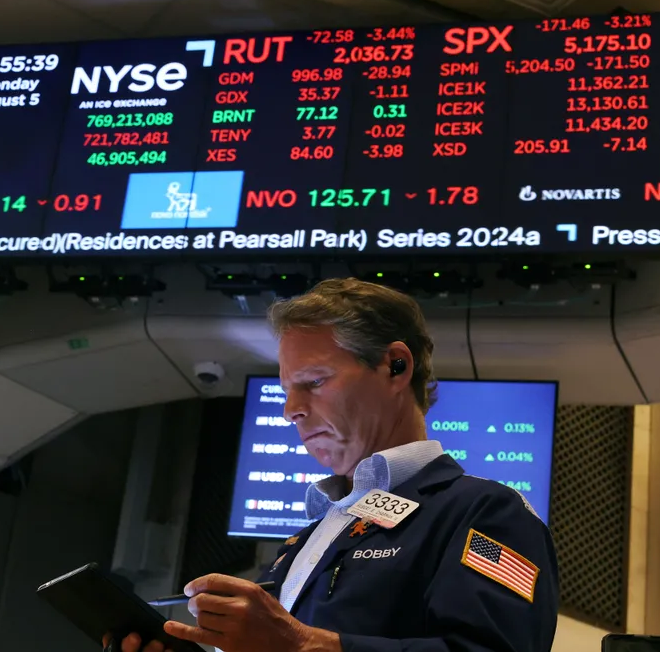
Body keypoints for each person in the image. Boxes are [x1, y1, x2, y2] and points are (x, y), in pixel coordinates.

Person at [110, 278, 558, 652]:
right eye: (287, 389)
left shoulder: (486, 513)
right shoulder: (303, 543)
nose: (290, 410)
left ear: (396, 367)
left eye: (314, 382)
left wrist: (302, 645)